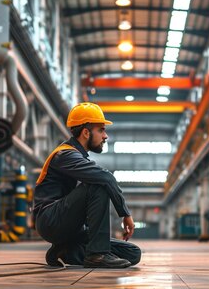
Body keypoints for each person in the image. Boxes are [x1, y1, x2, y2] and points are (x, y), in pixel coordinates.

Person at [31, 102, 141, 268]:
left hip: (69, 225)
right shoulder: (65, 154)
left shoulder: (76, 156)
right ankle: (97, 255)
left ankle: (65, 251)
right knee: (98, 183)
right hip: (50, 220)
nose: (105, 136)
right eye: (101, 130)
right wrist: (125, 214)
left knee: (132, 253)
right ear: (85, 132)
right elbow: (106, 178)